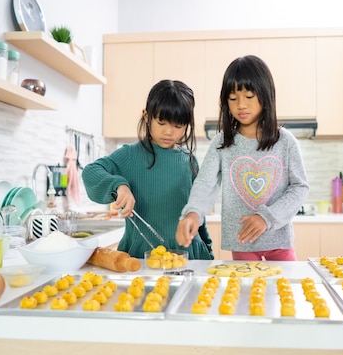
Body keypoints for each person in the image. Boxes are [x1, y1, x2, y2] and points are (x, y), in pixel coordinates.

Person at [176, 55, 309, 261]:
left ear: (265, 95)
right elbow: (204, 185)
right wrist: (193, 213)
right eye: (232, 98)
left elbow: (300, 187)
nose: (240, 105)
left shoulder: (285, 141)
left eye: (248, 96)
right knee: (245, 294)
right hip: (242, 241)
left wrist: (266, 217)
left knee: (284, 292)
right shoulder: (222, 144)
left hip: (279, 241)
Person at [82, 79, 213, 260]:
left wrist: (207, 249)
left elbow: (198, 213)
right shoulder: (130, 155)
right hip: (140, 257)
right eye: (162, 122)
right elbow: (91, 171)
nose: (169, 132)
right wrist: (119, 186)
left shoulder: (189, 160)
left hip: (187, 257)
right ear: (146, 116)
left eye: (178, 126)